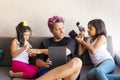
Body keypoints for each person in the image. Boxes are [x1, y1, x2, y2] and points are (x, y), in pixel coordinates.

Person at [28, 16, 82, 80]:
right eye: (58, 29)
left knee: (77, 61)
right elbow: (38, 61)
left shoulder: (70, 41)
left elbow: (64, 52)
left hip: (67, 72)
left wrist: (40, 51)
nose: (62, 31)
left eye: (62, 28)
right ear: (51, 31)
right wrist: (46, 64)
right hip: (49, 70)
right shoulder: (45, 43)